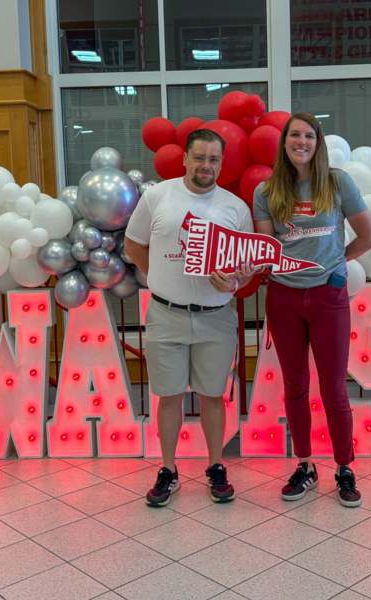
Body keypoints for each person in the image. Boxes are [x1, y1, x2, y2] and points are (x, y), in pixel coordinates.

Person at [253, 113, 371, 507]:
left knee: (334, 388)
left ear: (317, 141)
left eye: (309, 135)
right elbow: (266, 247)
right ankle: (305, 465)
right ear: (284, 142)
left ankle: (344, 467)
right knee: (294, 387)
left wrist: (338, 265)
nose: (301, 141)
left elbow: (369, 235)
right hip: (284, 296)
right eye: (294, 135)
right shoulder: (266, 190)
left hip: (328, 296)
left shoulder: (338, 182)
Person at [124, 128, 255, 507]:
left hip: (216, 318)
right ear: (185, 158)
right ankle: (168, 470)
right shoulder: (158, 196)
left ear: (221, 163)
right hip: (166, 315)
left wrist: (233, 278)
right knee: (169, 396)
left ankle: (215, 465)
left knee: (214, 396)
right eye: (199, 158)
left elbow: (246, 268)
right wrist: (159, 279)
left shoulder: (235, 207)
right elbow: (134, 243)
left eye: (214, 159)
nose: (206, 166)